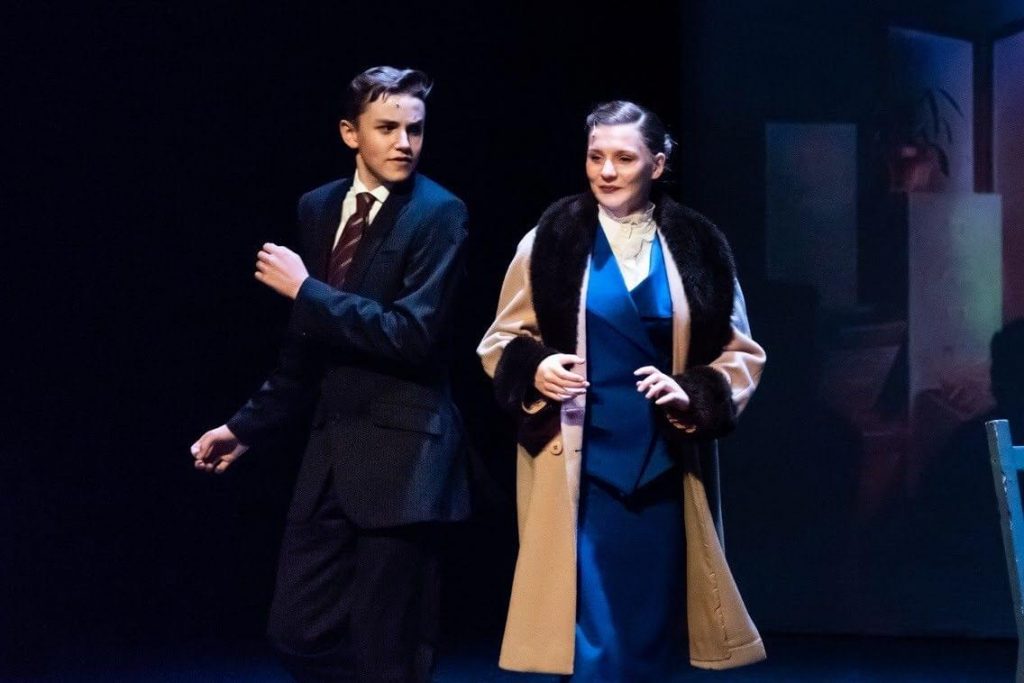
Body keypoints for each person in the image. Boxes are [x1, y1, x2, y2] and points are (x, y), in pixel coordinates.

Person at [191, 66, 470, 683]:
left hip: (406, 457)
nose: (405, 143)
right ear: (350, 133)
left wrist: (306, 291)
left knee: (387, 648)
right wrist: (247, 427)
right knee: (296, 631)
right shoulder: (318, 207)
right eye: (388, 128)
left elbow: (412, 334)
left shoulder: (439, 213)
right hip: (332, 453)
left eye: (416, 129)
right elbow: (306, 345)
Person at [477, 101, 767, 680]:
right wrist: (536, 368)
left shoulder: (697, 244)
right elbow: (501, 338)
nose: (606, 171)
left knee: (649, 634)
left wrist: (692, 393)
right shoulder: (552, 239)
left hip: (663, 466)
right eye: (596, 157)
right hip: (578, 468)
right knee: (593, 636)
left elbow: (741, 353)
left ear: (657, 165)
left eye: (624, 158)